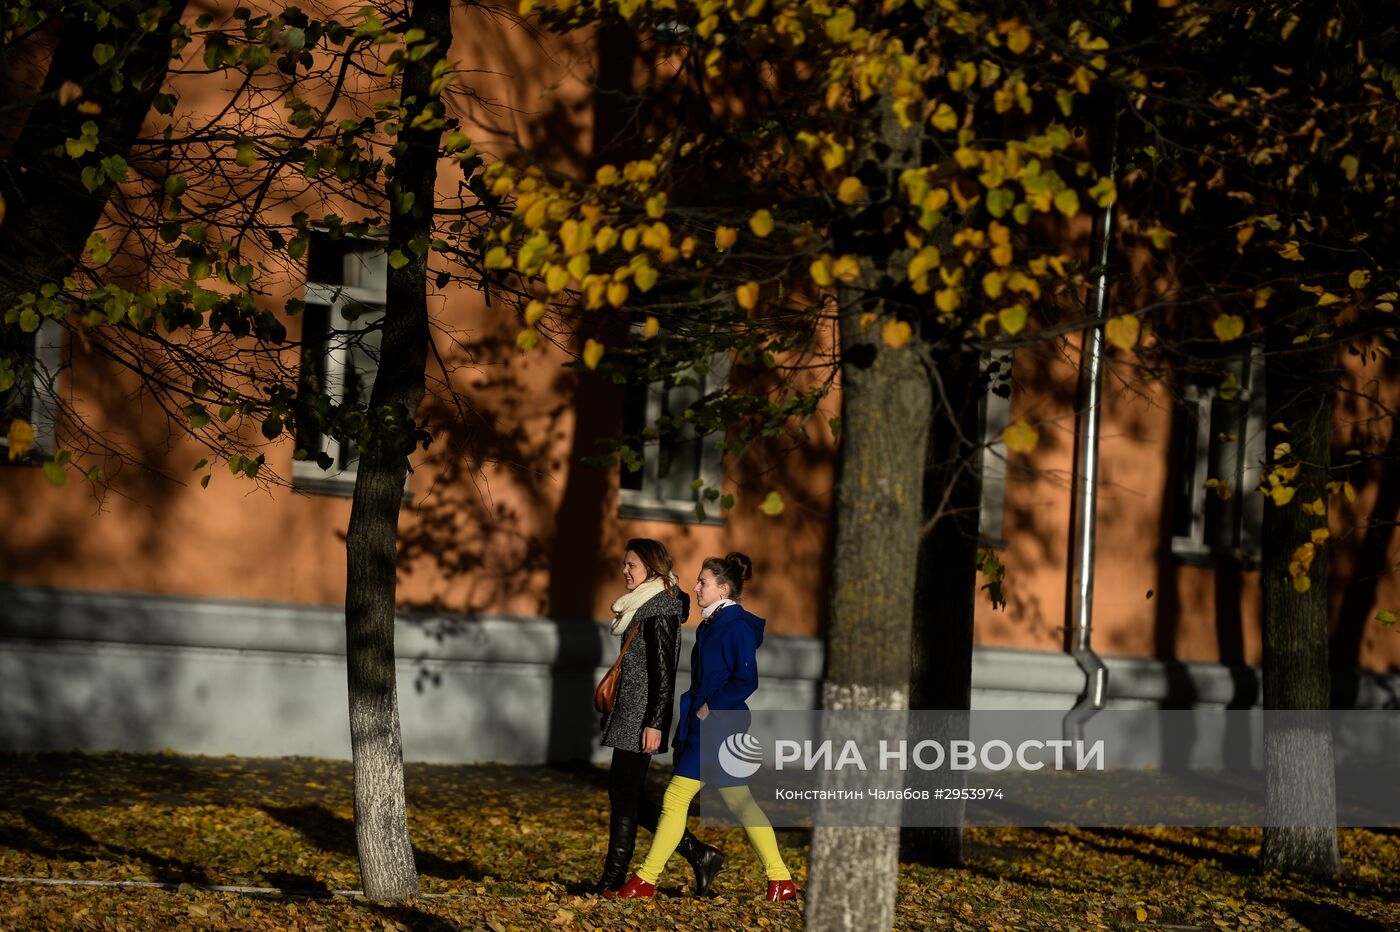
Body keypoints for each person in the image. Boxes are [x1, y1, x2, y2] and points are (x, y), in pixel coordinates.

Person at [607, 551, 797, 902]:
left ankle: (645, 880)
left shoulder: (736, 625)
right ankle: (781, 880)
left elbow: (746, 680)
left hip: (721, 725)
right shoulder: (713, 622)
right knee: (741, 804)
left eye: (703, 583)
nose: (695, 587)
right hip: (708, 725)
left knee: (675, 798)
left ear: (723, 589)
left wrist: (710, 707)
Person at [594, 538, 726, 895]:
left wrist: (655, 721)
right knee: (626, 794)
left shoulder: (660, 608)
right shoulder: (644, 604)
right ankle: (699, 853)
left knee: (623, 794)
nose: (624, 570)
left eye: (631, 565)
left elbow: (664, 672)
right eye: (624, 564)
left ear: (651, 569)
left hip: (643, 715)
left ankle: (612, 881)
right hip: (630, 711)